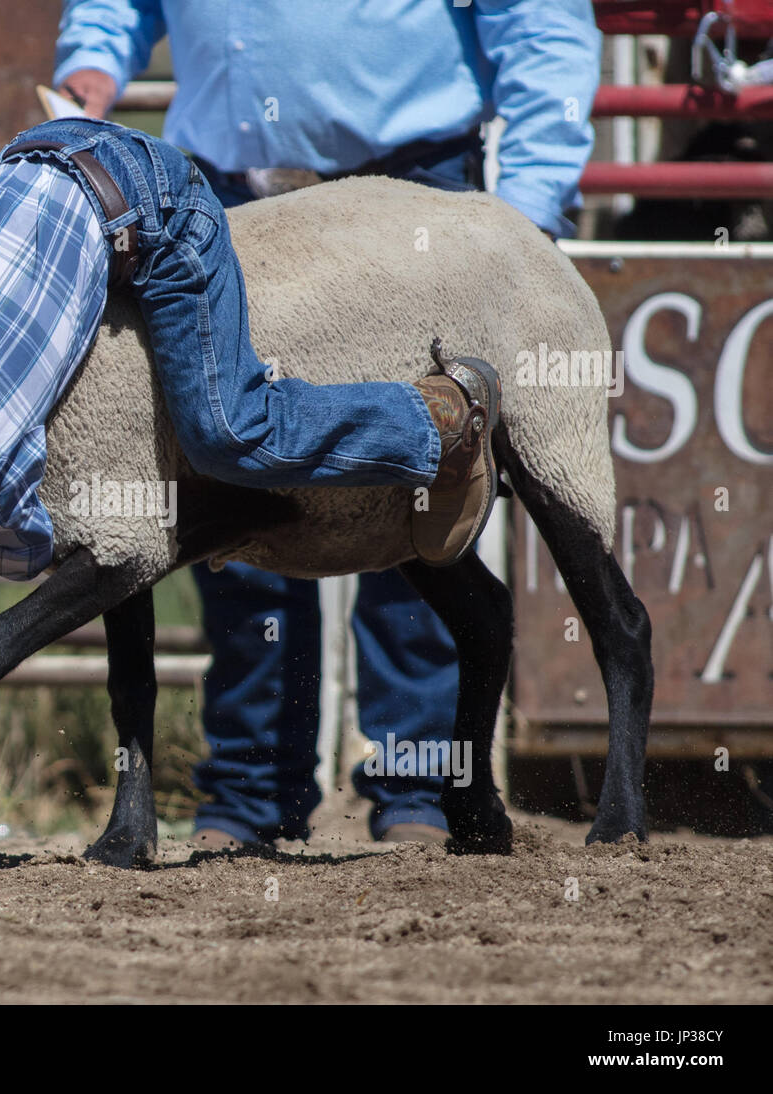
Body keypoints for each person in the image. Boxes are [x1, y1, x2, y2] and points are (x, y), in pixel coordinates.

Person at [53, 0, 601, 847]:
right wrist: (92, 61)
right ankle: (250, 791)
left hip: (409, 199)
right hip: (223, 198)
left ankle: (414, 785)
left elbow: (539, 20)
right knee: (226, 502)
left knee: (417, 488)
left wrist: (523, 213)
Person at [0, 117, 502, 651]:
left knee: (228, 431)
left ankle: (437, 423)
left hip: (159, 203)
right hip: (47, 156)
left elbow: (34, 549)